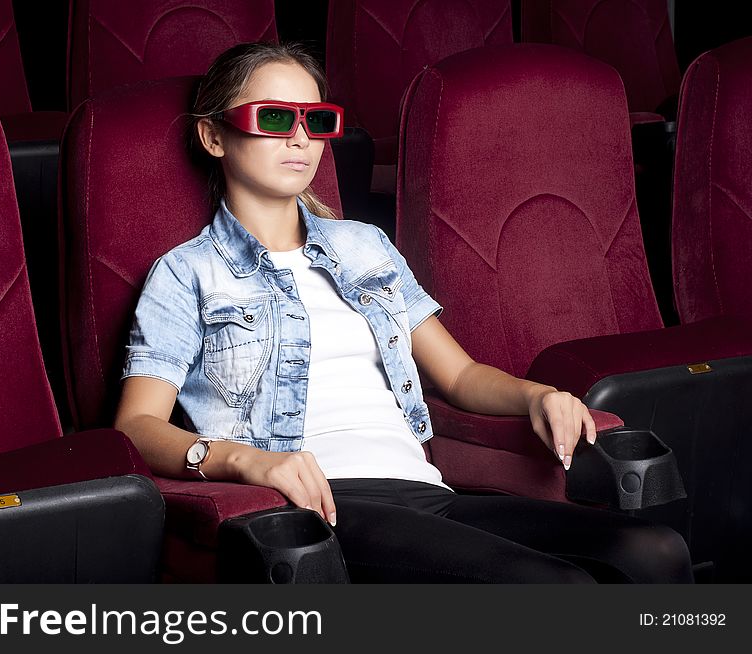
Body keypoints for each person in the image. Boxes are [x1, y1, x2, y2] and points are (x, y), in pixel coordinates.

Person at [114, 41, 693, 583]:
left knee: (653, 552)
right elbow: (136, 428)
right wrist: (246, 462)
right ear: (214, 137)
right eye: (273, 118)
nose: (299, 139)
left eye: (315, 121)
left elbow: (460, 376)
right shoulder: (185, 273)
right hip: (320, 508)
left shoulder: (363, 246)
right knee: (551, 586)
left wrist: (538, 396)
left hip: (424, 489)